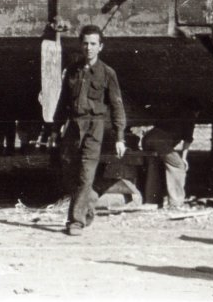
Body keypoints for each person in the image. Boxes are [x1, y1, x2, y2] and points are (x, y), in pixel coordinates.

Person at [52, 24, 126, 236]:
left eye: (93, 44)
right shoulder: (73, 71)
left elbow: (117, 106)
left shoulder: (108, 73)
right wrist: (56, 129)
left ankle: (75, 222)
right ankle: (88, 204)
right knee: (69, 171)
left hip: (95, 127)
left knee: (86, 174)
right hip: (73, 127)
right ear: (80, 45)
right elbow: (63, 102)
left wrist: (120, 137)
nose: (89, 48)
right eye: (85, 43)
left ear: (100, 47)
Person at [142, 116, 196, 208]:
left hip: (147, 138)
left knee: (154, 166)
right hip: (159, 140)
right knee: (178, 166)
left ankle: (152, 201)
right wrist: (183, 158)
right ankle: (176, 202)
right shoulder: (189, 118)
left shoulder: (172, 112)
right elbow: (187, 140)